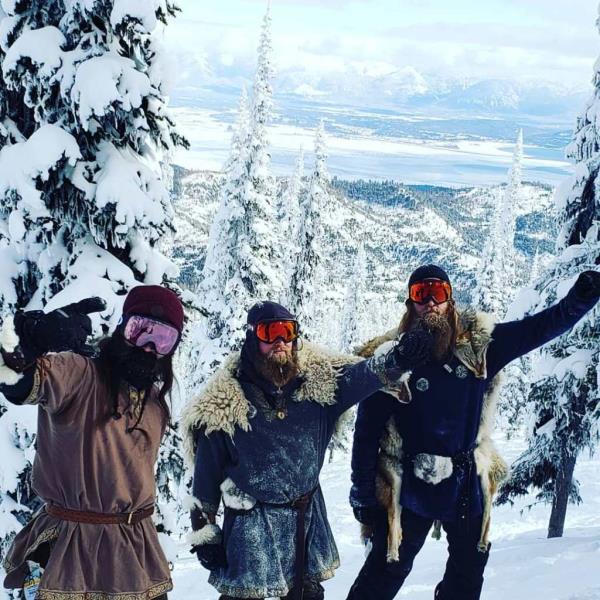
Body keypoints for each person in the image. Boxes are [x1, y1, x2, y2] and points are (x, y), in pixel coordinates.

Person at [346, 264, 600, 600]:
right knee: (383, 575)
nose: (431, 302)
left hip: (463, 483)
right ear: (410, 302)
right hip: (408, 486)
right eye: (422, 294)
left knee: (467, 577)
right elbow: (366, 433)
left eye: (438, 293)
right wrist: (363, 493)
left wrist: (580, 300)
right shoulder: (392, 360)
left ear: (450, 299)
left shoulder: (478, 350)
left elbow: (539, 328)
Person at [181, 300, 413, 600]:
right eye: (269, 333)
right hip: (251, 527)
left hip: (305, 522)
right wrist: (204, 533)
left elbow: (366, 375)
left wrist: (399, 358)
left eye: (287, 332)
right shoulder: (225, 405)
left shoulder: (320, 389)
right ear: (252, 339)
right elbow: (206, 478)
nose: (280, 342)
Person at [0, 285, 185, 600]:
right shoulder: (79, 374)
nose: (150, 346)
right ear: (121, 326)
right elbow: (14, 379)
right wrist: (30, 337)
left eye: (164, 339)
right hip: (70, 549)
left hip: (135, 549)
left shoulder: (154, 404)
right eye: (140, 330)